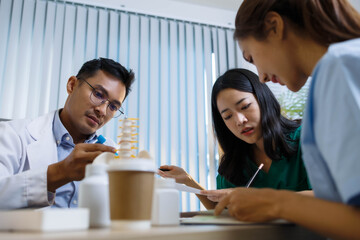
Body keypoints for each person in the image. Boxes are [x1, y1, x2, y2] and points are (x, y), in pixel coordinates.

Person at [214, 1, 360, 239]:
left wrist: (276, 203)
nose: (260, 75)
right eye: (227, 116)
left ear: (274, 26)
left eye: (252, 57)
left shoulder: (339, 68)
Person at [159, 68, 311, 210]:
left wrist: (254, 198)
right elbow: (220, 209)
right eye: (228, 116)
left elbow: (329, 197)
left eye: (245, 106)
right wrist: (188, 181)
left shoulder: (306, 140)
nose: (239, 120)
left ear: (262, 99)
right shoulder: (234, 166)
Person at [0, 58, 134, 209]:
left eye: (113, 106)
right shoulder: (13, 135)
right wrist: (60, 172)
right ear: (72, 85)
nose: (102, 111)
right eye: (98, 94)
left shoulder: (111, 152)